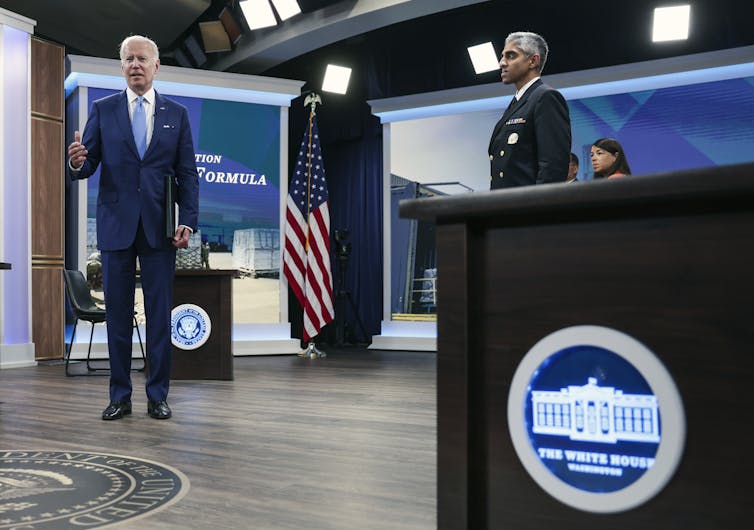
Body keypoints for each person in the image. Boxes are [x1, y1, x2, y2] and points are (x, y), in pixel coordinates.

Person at [67, 35, 199, 421]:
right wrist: (76, 162)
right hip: (116, 227)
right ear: (121, 67)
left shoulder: (177, 114)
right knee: (118, 317)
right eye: (128, 59)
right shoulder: (103, 109)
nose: (135, 65)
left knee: (159, 317)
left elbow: (188, 175)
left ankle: (158, 395)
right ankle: (119, 396)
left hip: (160, 230)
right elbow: (87, 166)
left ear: (156, 66)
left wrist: (187, 220)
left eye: (142, 59)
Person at [489, 31, 571, 189]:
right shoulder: (518, 102)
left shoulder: (545, 97)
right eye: (503, 56)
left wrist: (537, 211)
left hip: (527, 208)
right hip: (505, 206)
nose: (502, 63)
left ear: (533, 61)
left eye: (511, 56)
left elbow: (553, 168)